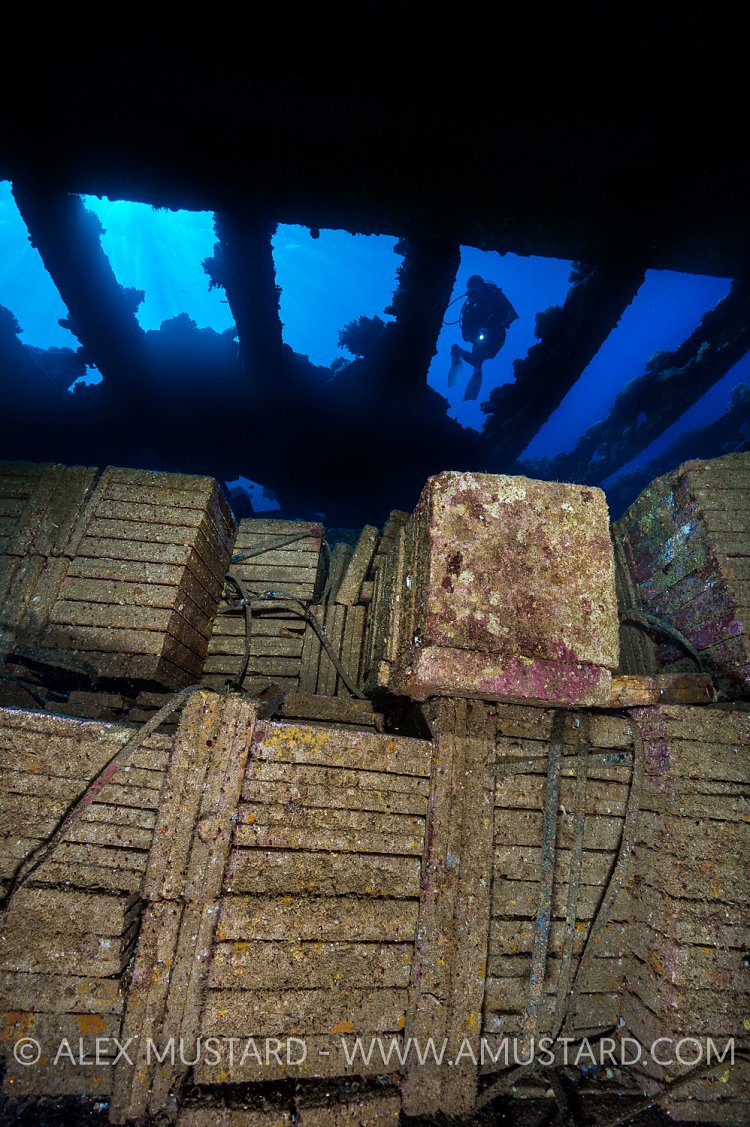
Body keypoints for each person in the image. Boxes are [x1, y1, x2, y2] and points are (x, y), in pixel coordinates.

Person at [448, 274, 518, 400]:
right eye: (473, 290)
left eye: (477, 288)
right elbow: (465, 336)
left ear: (482, 286)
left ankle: (473, 360)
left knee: (489, 355)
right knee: (478, 359)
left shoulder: (493, 294)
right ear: (469, 292)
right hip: (480, 340)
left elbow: (511, 314)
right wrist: (478, 332)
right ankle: (459, 351)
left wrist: (493, 323)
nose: (476, 292)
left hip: (497, 335)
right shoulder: (469, 307)